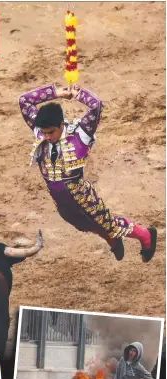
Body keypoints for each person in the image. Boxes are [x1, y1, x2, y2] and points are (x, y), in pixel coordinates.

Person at [19, 83, 157, 262]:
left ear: (61, 124)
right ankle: (111, 238)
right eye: (44, 133)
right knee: (81, 224)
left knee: (109, 224)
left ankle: (145, 235)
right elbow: (24, 101)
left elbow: (96, 105)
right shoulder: (42, 131)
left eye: (51, 132)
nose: (46, 137)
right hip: (58, 196)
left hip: (82, 195)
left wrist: (78, 94)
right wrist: (56, 93)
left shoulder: (80, 133)